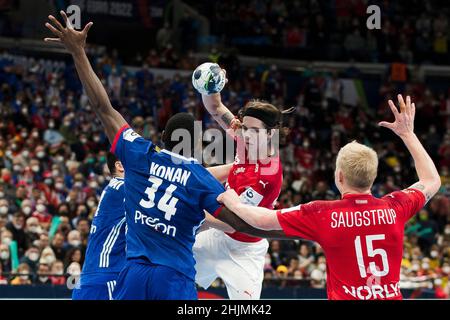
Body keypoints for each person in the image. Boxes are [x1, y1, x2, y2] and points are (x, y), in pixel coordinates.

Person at [44, 12, 229, 300]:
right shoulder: (128, 185)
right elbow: (185, 179)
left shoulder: (138, 180)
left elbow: (177, 176)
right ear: (119, 165)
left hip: (104, 279)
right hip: (108, 280)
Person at [215, 95, 441, 300]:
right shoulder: (395, 208)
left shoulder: (325, 213)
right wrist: (408, 134)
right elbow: (432, 181)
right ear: (372, 177)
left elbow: (262, 220)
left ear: (339, 176)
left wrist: (233, 201)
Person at [193, 71, 292, 299]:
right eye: (244, 128)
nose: (246, 135)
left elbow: (233, 223)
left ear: (271, 134)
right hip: (215, 236)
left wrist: (192, 216)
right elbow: (215, 108)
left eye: (254, 131)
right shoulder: (246, 136)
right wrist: (212, 84)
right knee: (167, 273)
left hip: (244, 249)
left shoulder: (268, 175)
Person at [72, 152, 126, 300]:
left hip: (94, 277)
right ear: (120, 166)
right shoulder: (124, 187)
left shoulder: (113, 188)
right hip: (106, 277)